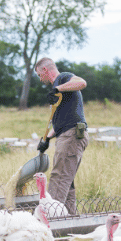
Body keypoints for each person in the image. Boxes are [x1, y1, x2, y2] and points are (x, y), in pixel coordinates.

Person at [35, 57, 89, 215]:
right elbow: (60, 123)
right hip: (67, 134)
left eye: (39, 75)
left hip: (71, 136)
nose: (40, 79)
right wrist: (47, 139)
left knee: (59, 178)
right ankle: (71, 220)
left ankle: (53, 219)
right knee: (67, 181)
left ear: (45, 70)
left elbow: (82, 83)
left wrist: (58, 89)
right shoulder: (58, 90)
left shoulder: (63, 78)